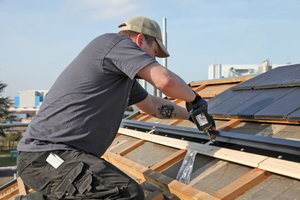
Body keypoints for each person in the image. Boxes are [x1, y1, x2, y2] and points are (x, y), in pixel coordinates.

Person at [15, 16, 214, 200]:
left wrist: (191, 116)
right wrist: (195, 99)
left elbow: (152, 105)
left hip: (58, 159)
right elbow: (165, 80)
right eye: (154, 53)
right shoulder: (114, 43)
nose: (154, 60)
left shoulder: (122, 77)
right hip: (48, 156)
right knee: (126, 193)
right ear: (140, 40)